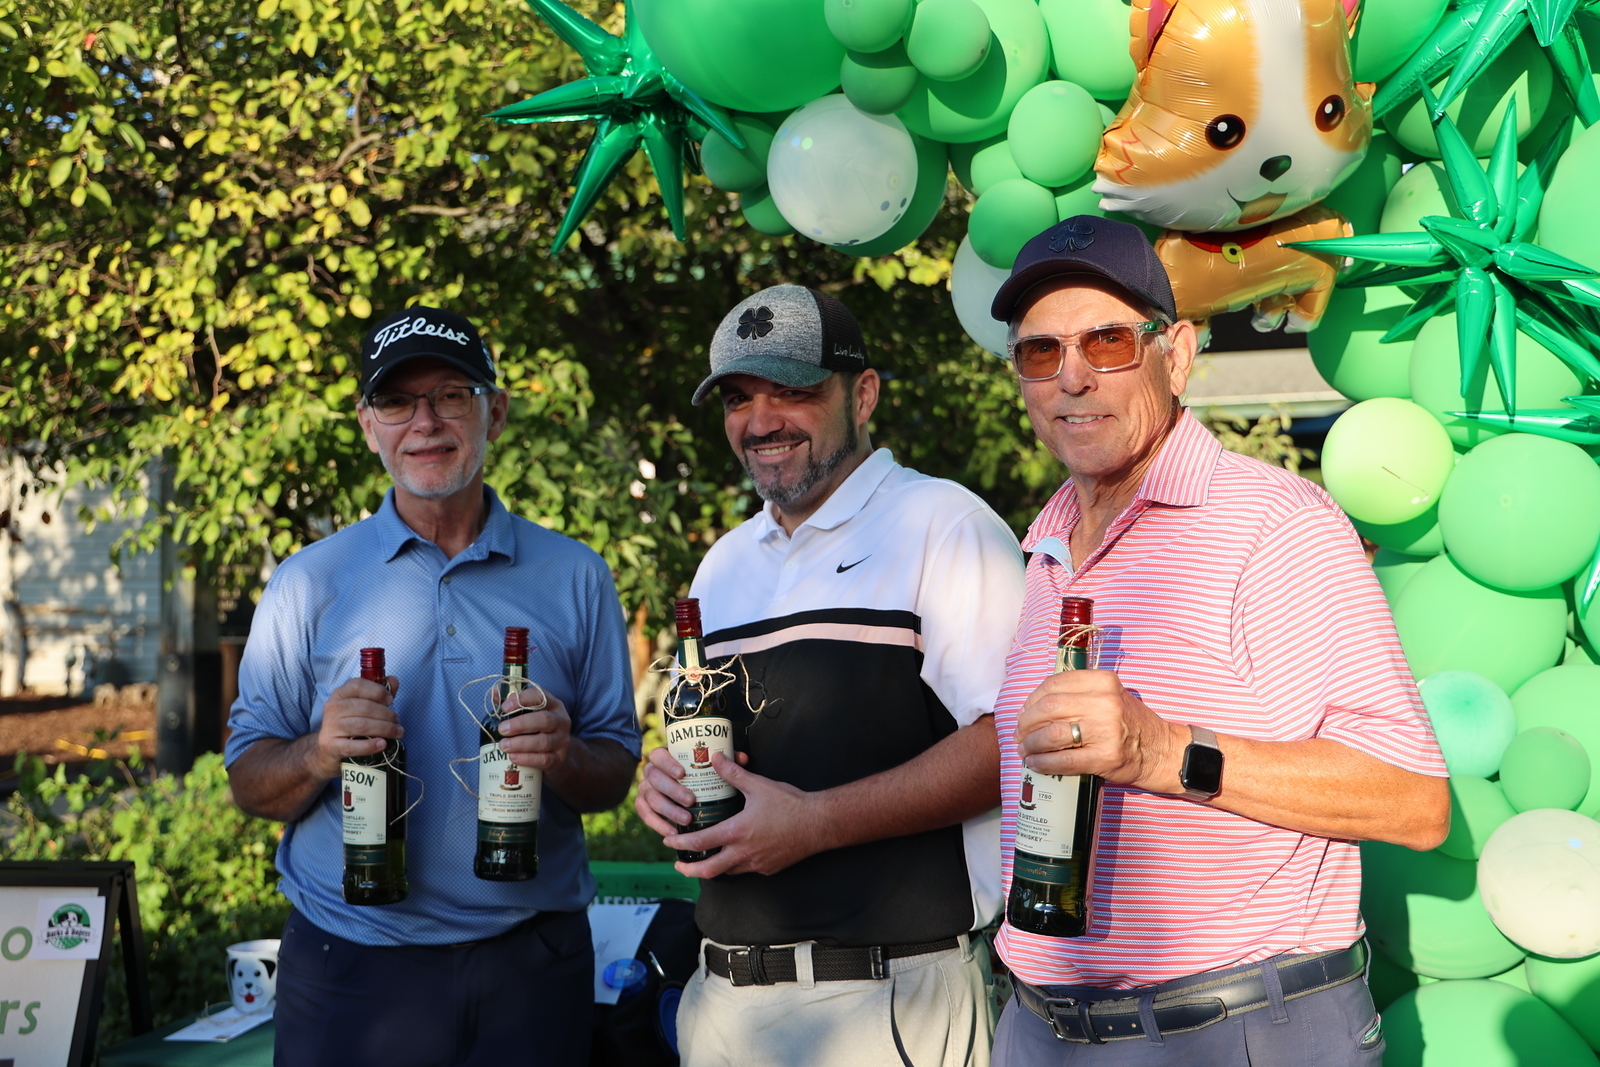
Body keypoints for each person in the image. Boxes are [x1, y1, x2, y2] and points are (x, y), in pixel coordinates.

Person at [982, 216, 1450, 1066]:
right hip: (1042, 1030)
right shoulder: (1048, 543)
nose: (1073, 376)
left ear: (1177, 355)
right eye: (1041, 352)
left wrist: (1164, 751)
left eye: (1108, 342)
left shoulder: (1274, 523)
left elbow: (1413, 799)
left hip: (1231, 1032)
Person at [224, 306, 640, 1067]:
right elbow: (249, 782)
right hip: (351, 964)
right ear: (368, 425)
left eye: (451, 394)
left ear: (495, 412)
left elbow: (612, 775)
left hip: (531, 966)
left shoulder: (576, 576)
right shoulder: (307, 583)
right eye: (396, 401)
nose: (425, 422)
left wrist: (565, 754)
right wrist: (317, 753)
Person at [634, 284, 1026, 1067]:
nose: (761, 421)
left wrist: (816, 822)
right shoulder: (723, 565)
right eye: (738, 398)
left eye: (792, 391)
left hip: (883, 1001)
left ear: (864, 393)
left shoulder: (946, 524)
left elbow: (1013, 747)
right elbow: (717, 746)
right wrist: (668, 782)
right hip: (722, 1004)